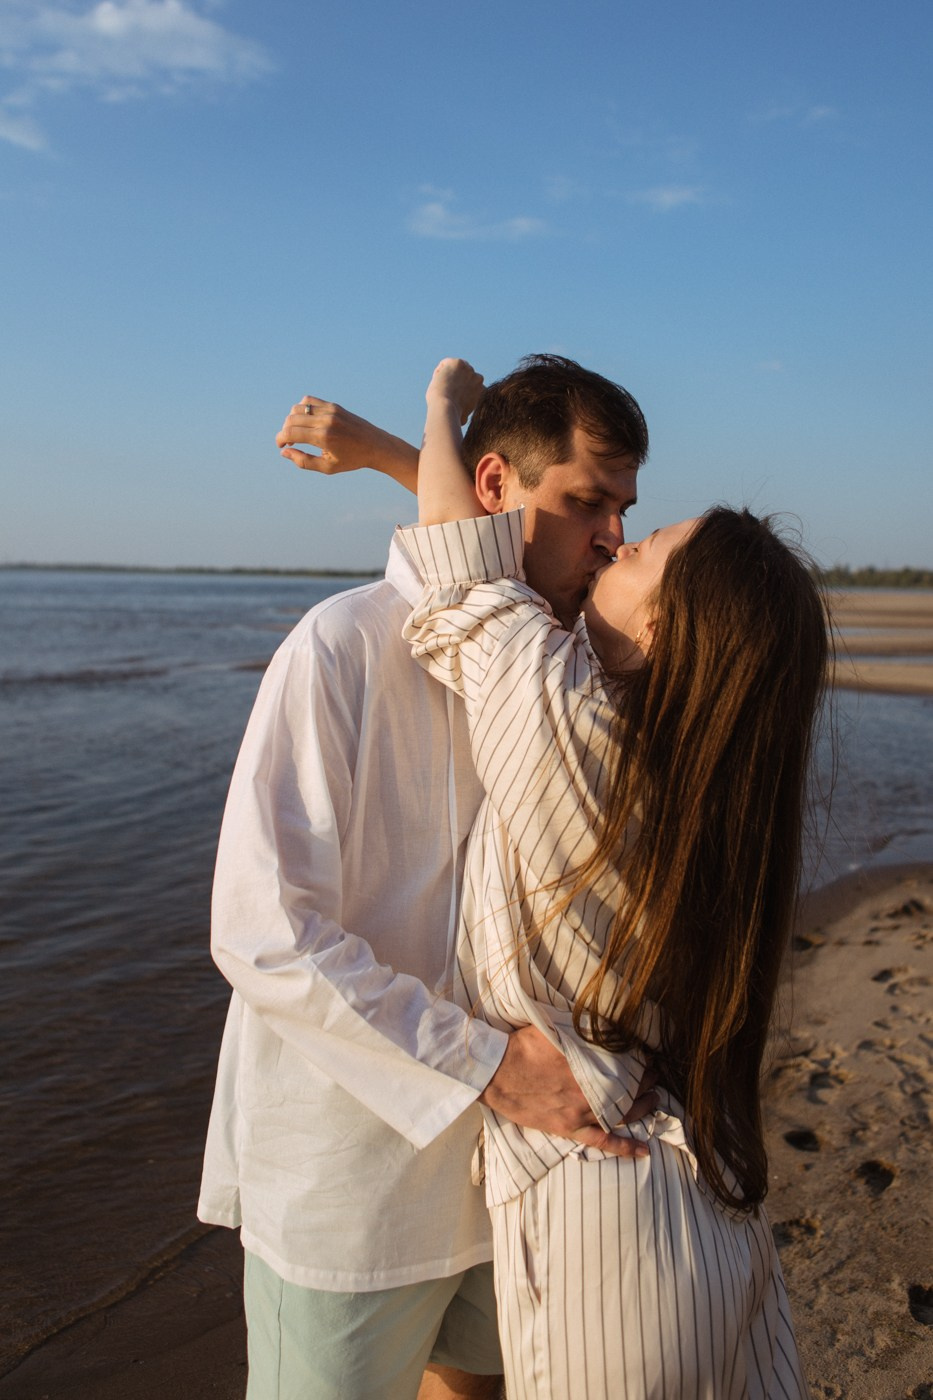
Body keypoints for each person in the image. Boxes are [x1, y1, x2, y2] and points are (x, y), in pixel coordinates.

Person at [197, 356, 657, 1400]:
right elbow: (262, 929)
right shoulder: (341, 645)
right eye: (588, 500)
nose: (614, 536)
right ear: (494, 486)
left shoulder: (565, 672)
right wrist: (488, 1061)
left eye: (625, 508)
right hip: (348, 1188)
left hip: (514, 1178)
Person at [379, 357, 825, 1398]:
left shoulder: (573, 723)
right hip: (719, 1210)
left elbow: (462, 555)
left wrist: (443, 400)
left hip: (605, 1225)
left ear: (666, 628)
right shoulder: (718, 783)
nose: (618, 541)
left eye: (644, 546)